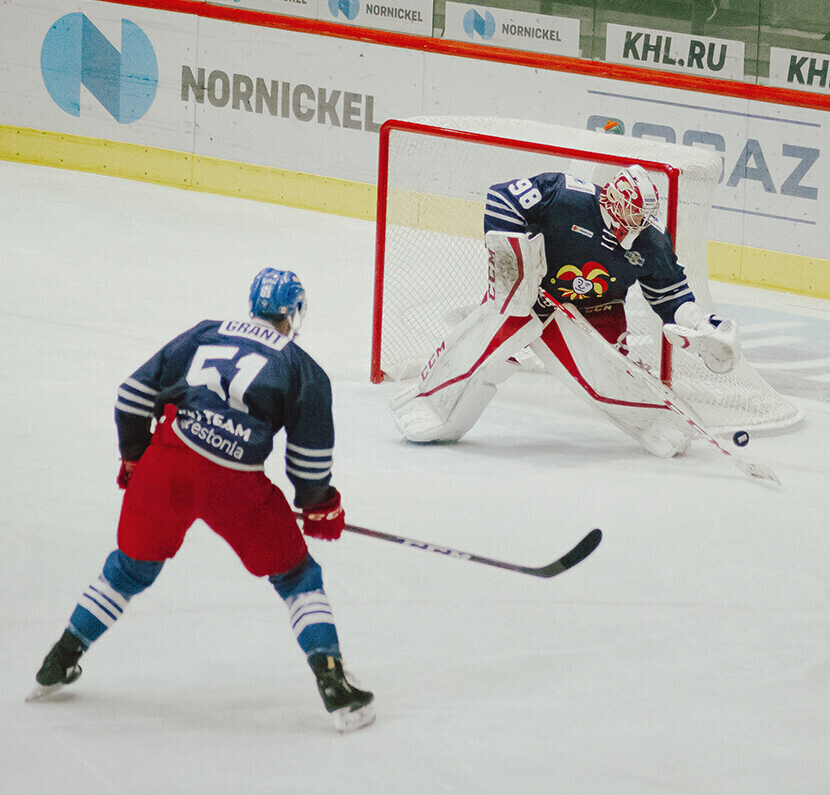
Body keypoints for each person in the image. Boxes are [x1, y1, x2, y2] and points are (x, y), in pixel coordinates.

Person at [29, 268, 375, 734]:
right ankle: (335, 687)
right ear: (293, 313)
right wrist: (319, 505)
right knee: (298, 577)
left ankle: (59, 659)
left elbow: (131, 395)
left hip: (166, 464)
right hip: (235, 484)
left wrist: (134, 457)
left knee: (128, 570)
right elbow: (309, 462)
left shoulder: (205, 333)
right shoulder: (302, 368)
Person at [390, 166, 740, 458]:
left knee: (610, 373)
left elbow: (670, 292)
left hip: (598, 309)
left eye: (644, 216)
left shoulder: (652, 240)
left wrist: (698, 323)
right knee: (482, 347)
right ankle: (429, 404)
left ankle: (660, 422)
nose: (639, 222)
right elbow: (501, 197)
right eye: (633, 212)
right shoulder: (565, 195)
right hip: (530, 294)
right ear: (613, 200)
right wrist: (514, 264)